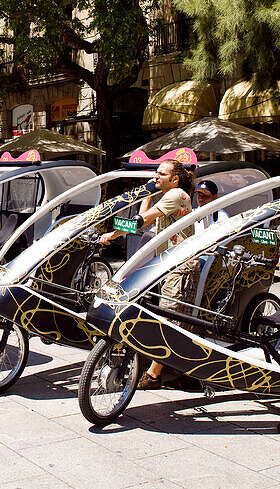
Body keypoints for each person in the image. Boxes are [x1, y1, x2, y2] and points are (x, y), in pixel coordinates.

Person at [100, 159, 195, 390]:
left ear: (175, 179)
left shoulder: (178, 195)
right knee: (170, 318)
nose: (156, 176)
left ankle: (153, 375)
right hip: (168, 266)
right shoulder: (168, 196)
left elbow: (141, 220)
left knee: (171, 320)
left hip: (180, 267)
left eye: (161, 173)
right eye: (156, 172)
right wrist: (148, 193)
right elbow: (143, 220)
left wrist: (112, 235)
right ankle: (178, 369)